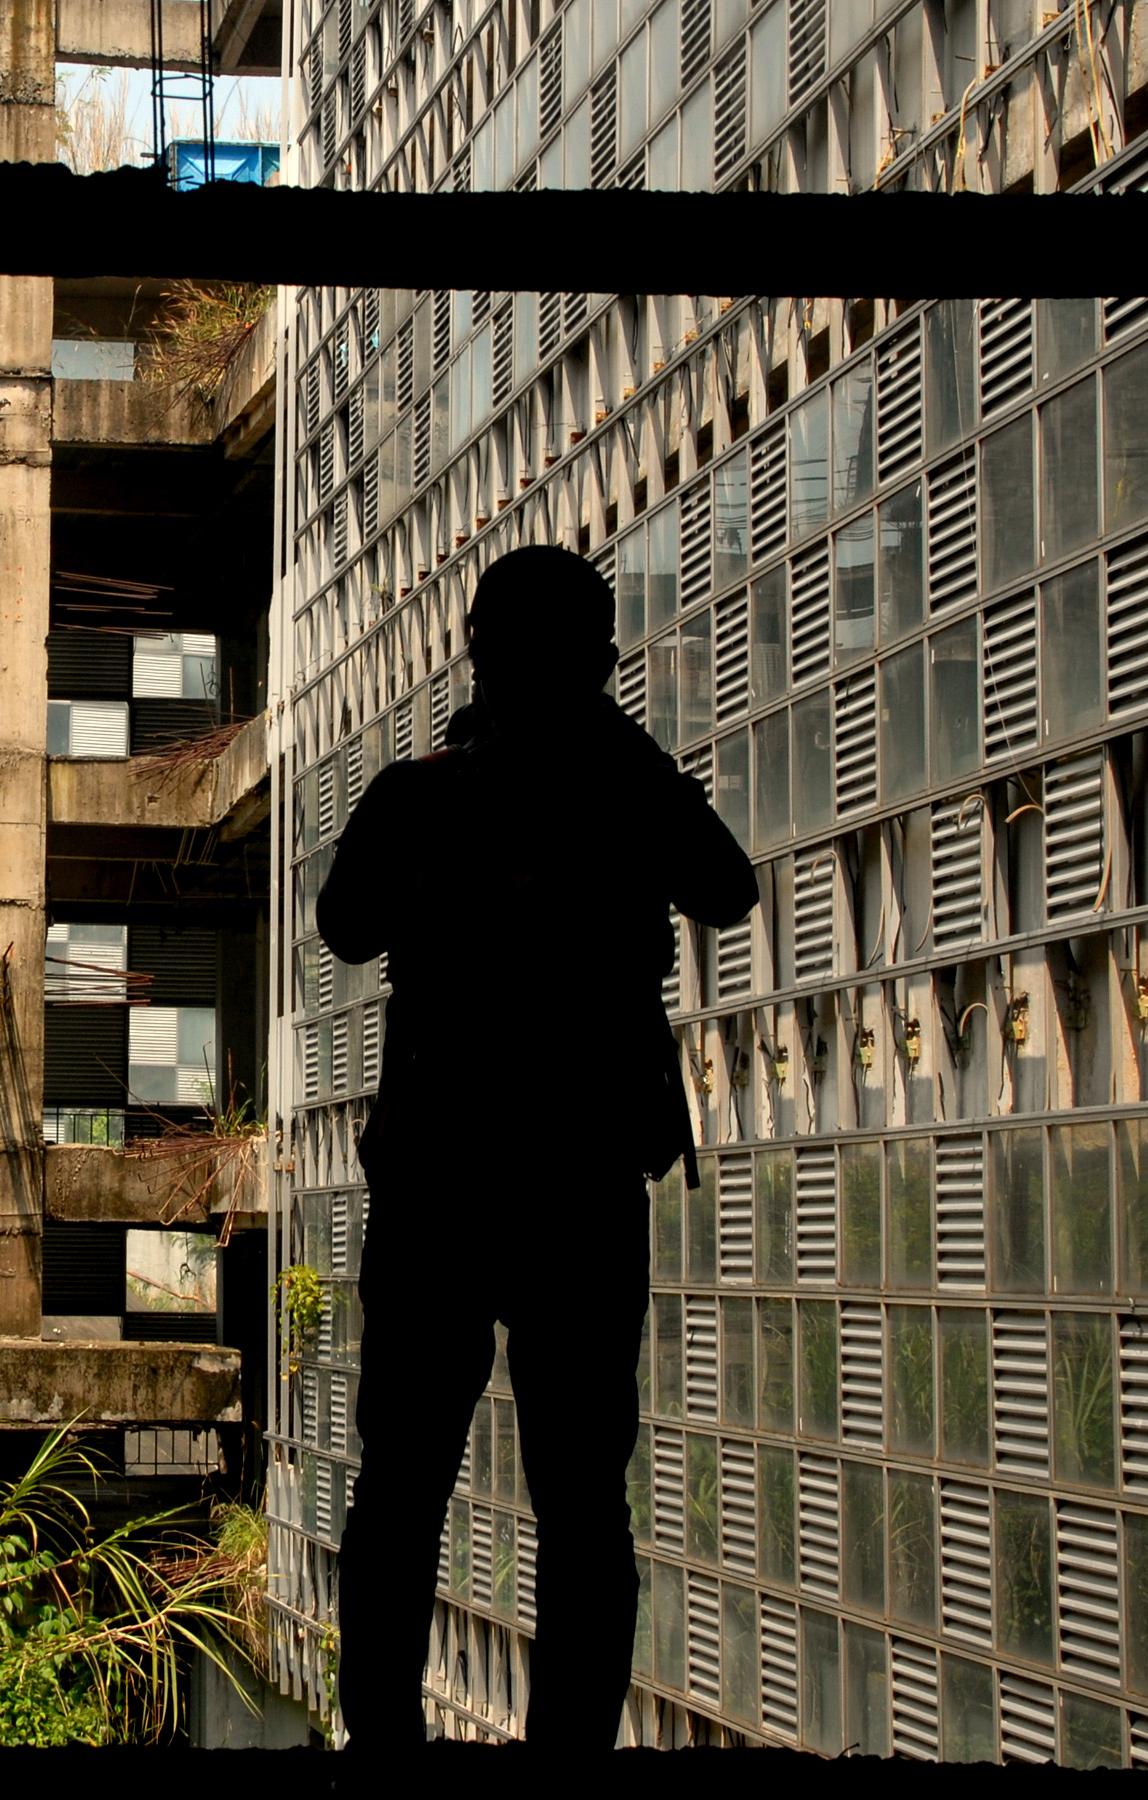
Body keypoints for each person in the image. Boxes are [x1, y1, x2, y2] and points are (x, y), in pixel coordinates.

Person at [317, 543, 757, 1748]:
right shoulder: (624, 788)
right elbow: (728, 887)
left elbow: (344, 924)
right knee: (580, 1503)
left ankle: (386, 1755)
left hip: (441, 1186)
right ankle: (567, 1765)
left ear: (478, 654)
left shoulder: (420, 792)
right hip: (578, 1188)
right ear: (598, 661)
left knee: (400, 1487)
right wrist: (617, 756)